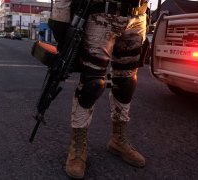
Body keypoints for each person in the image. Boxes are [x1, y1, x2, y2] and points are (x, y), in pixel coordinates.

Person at [50, 0, 149, 178]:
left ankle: (118, 139)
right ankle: (78, 146)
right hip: (101, 14)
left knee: (126, 82)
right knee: (92, 83)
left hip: (137, 16)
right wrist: (60, 17)